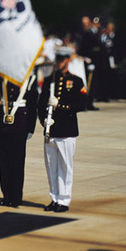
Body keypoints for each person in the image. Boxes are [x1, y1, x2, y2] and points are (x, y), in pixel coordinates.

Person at [37, 45, 85, 212]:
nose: (60, 62)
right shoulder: (50, 80)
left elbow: (81, 104)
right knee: (51, 167)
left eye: (63, 59)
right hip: (51, 130)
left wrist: (61, 106)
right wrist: (44, 120)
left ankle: (64, 200)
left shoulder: (76, 81)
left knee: (65, 167)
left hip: (66, 130)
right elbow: (41, 103)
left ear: (69, 60)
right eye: (58, 59)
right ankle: (54, 197)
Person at [0, 72, 36, 207]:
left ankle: (15, 197)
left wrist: (30, 128)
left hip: (20, 122)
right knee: (4, 162)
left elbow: (33, 105)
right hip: (3, 122)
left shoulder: (30, 79)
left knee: (17, 162)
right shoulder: (3, 76)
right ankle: (6, 196)